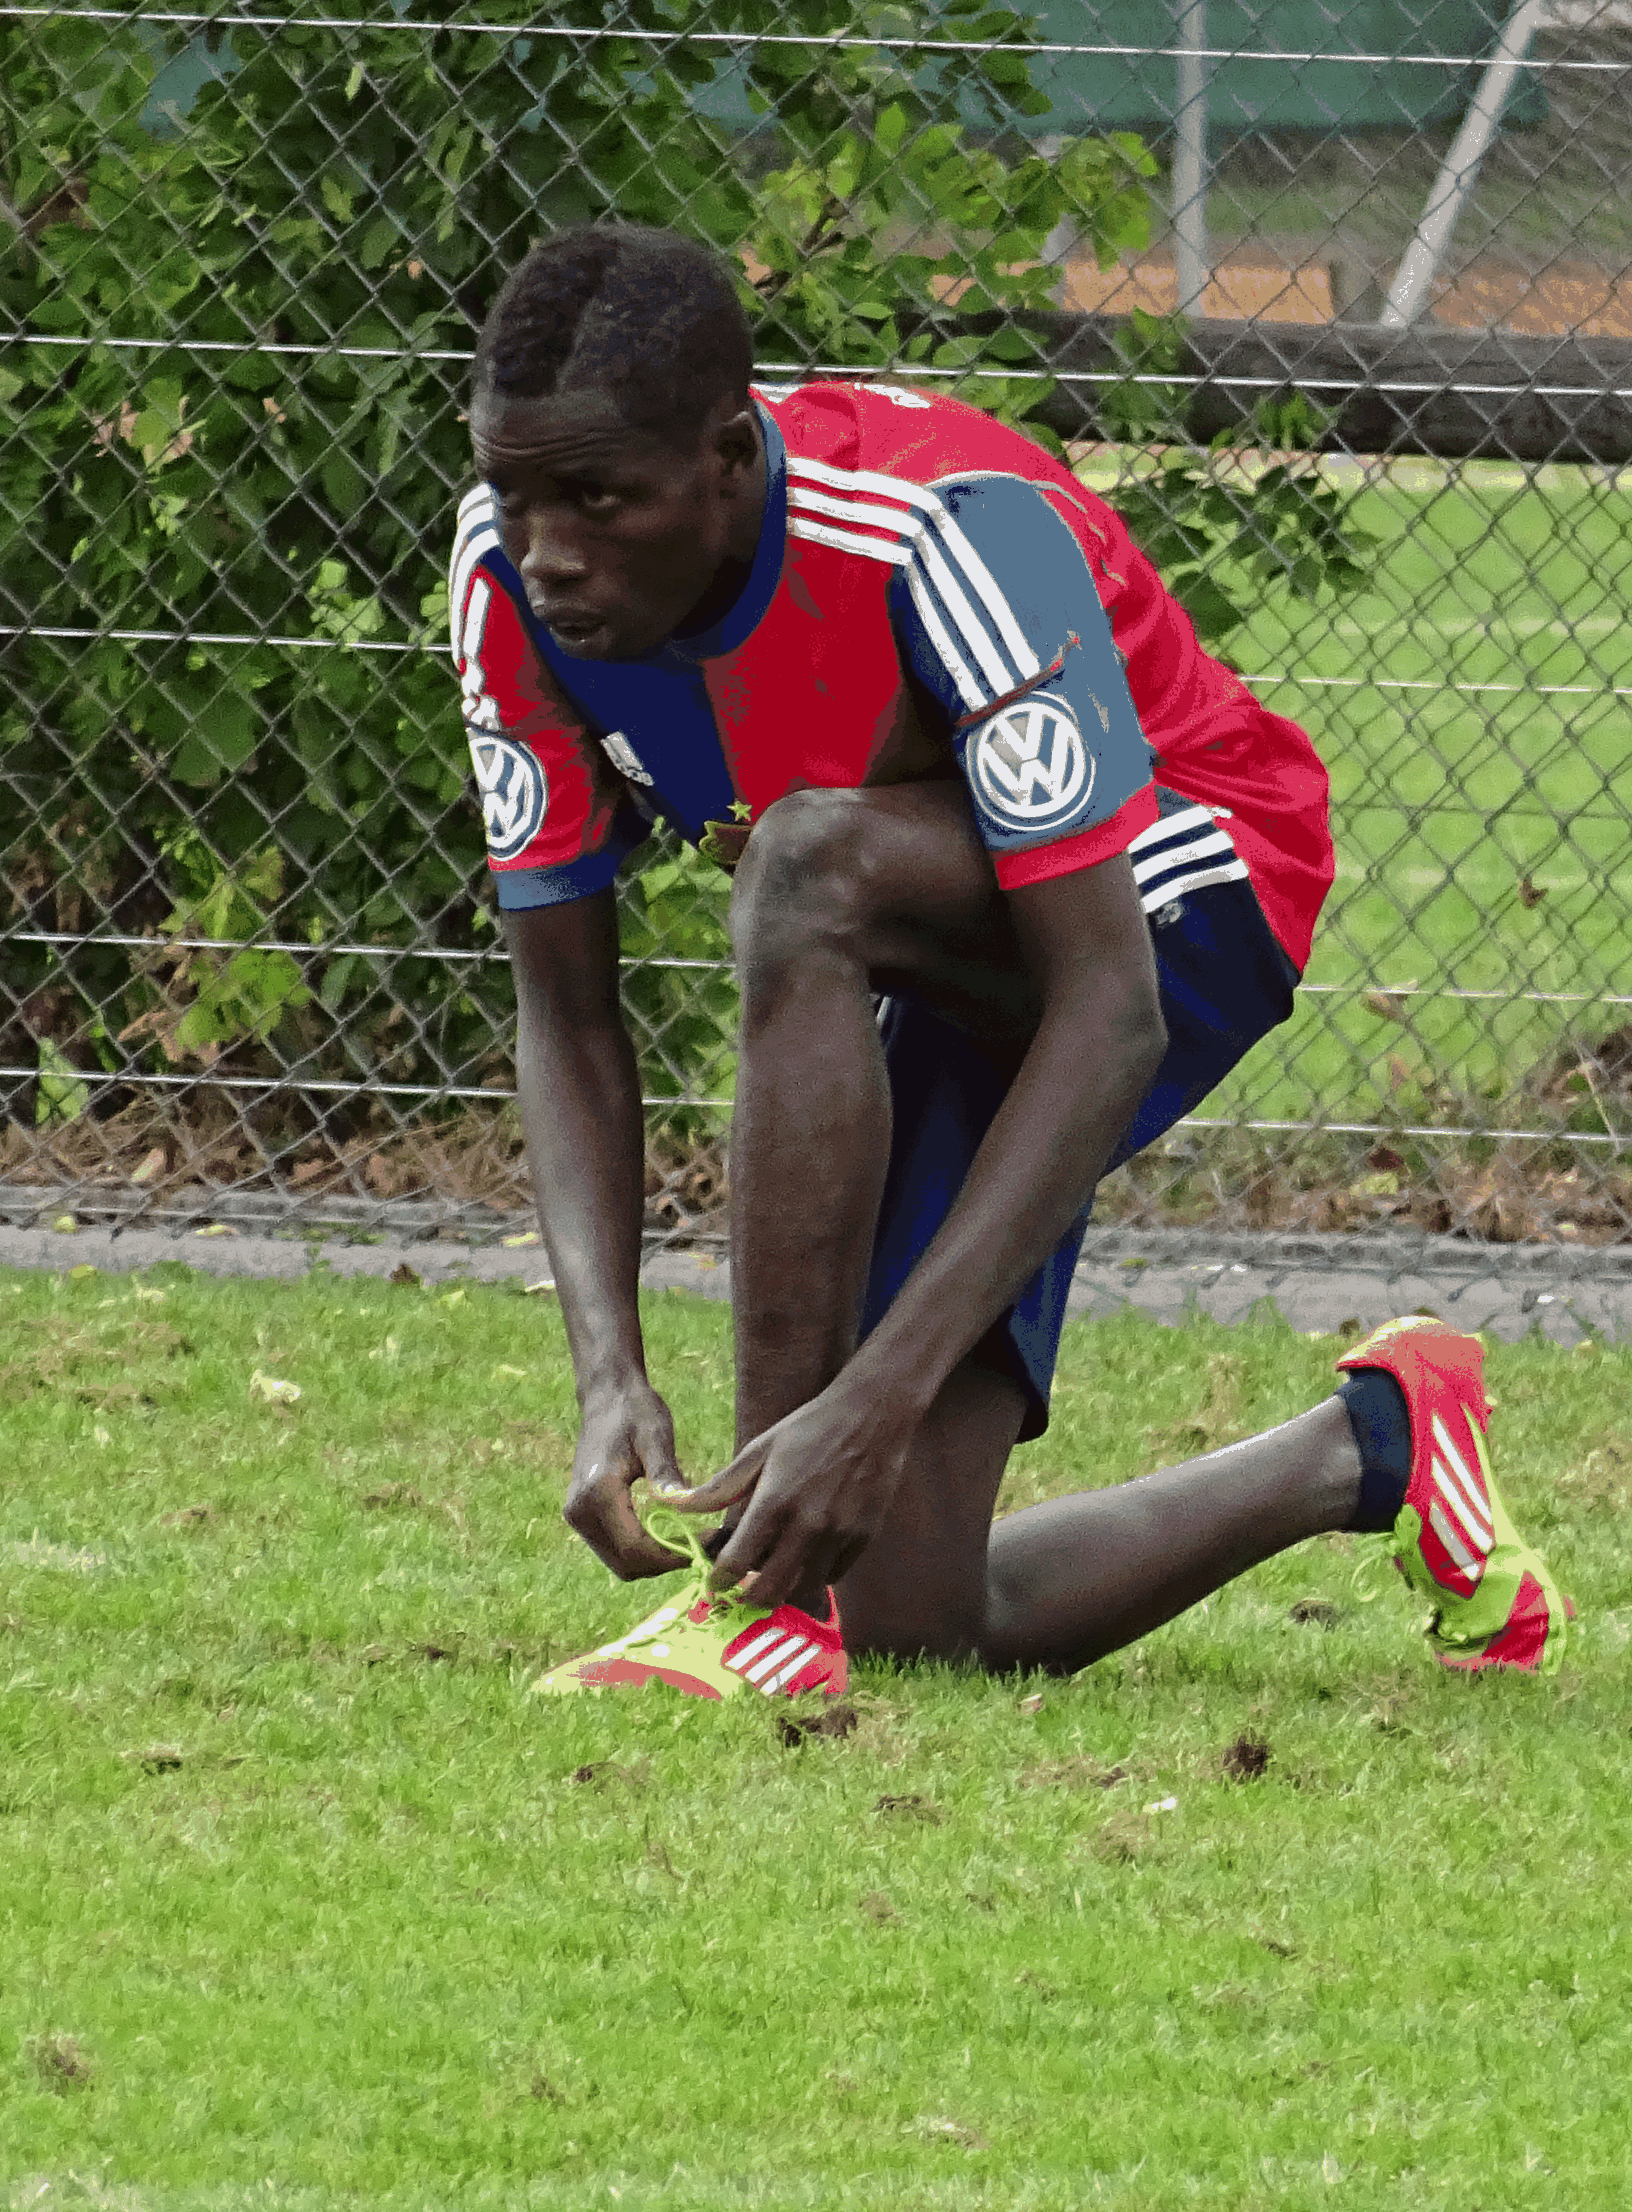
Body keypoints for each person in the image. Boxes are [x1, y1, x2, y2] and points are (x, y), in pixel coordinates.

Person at [452, 222, 1563, 1697]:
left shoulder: (941, 529)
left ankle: (752, 1616)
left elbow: (1109, 1010)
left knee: (802, 865)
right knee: (914, 1612)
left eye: (599, 499)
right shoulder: (511, 587)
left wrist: (879, 1388)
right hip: (934, 937)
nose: (550, 551)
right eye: (514, 493)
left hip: (1183, 893)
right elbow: (565, 1016)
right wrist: (607, 1375)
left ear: (727, 458)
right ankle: (1378, 1443)